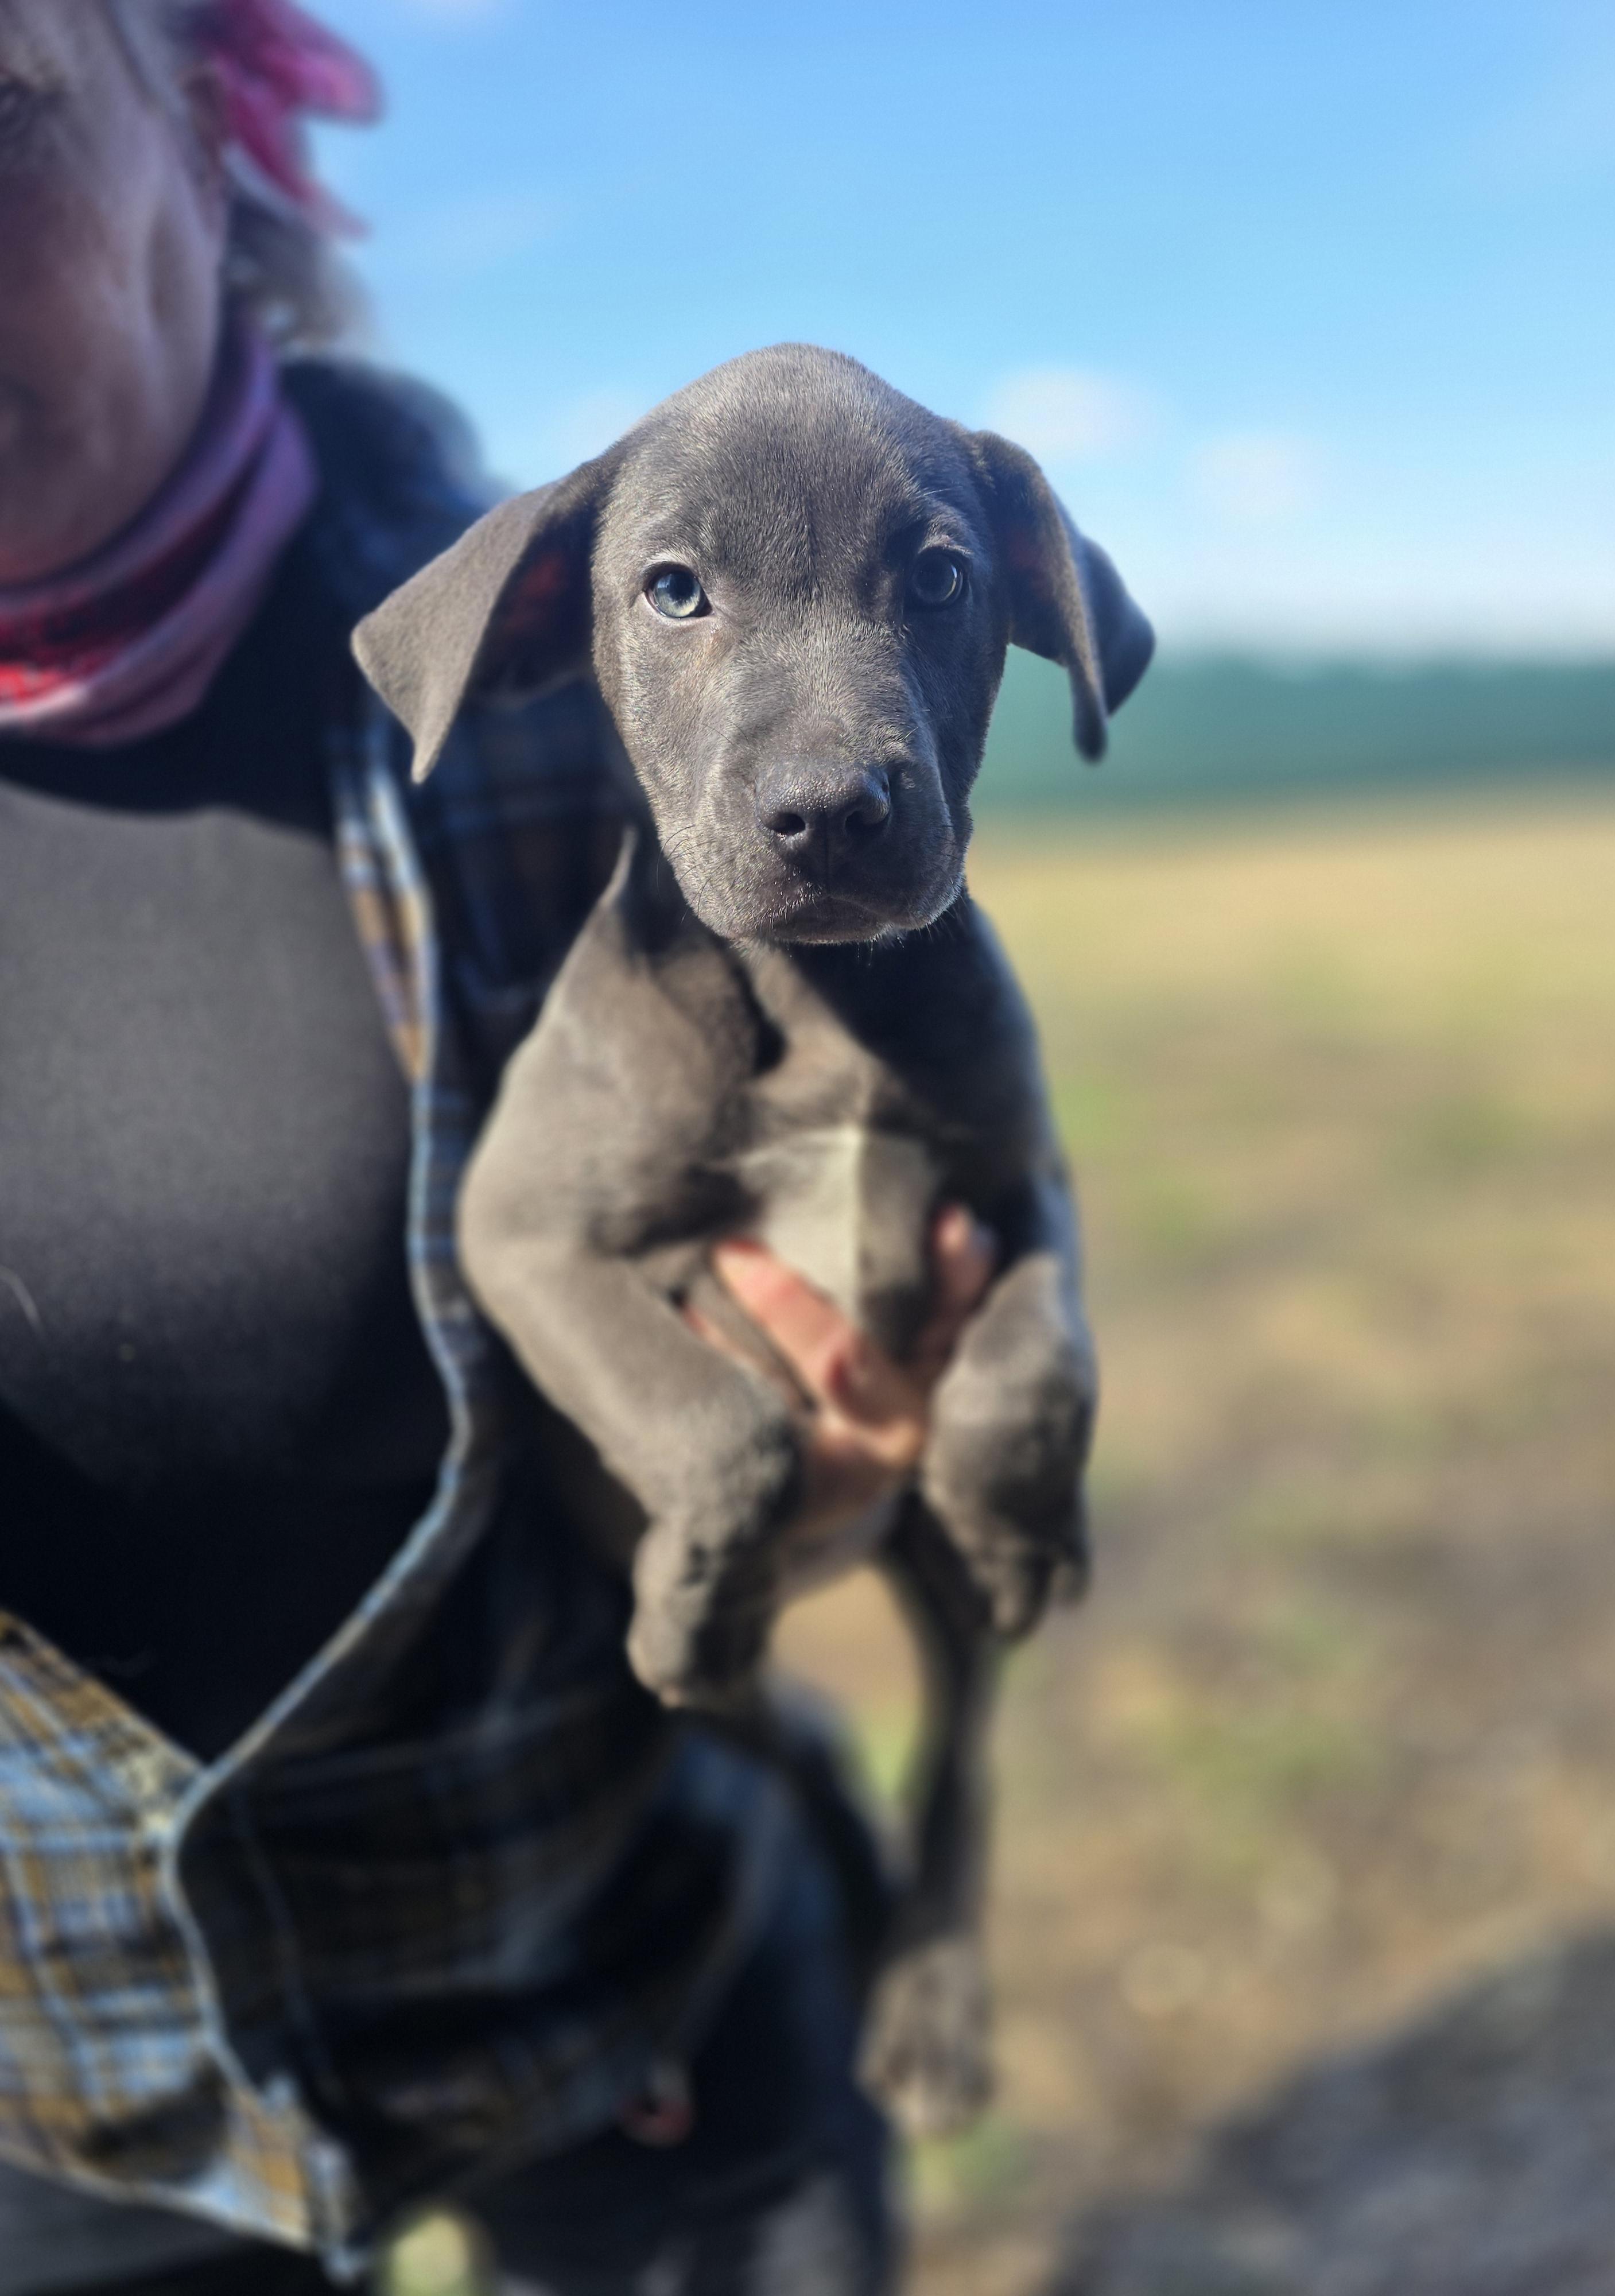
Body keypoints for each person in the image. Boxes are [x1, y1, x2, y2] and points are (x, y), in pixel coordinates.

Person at [0, 6, 995, 2291]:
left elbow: (898, 1303)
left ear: (204, 111)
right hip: (60, 2127)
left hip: (614, 1978)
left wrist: (820, 1457)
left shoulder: (619, 676)